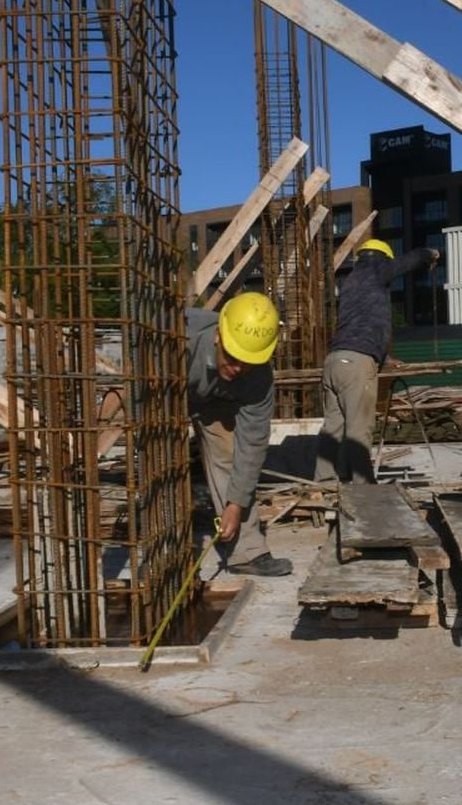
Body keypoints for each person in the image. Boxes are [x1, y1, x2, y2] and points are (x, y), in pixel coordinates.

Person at [315, 238, 439, 484]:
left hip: (334, 361)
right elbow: (409, 260)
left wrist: (383, 357)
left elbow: (361, 325)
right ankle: (364, 488)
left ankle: (324, 483)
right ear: (382, 258)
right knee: (359, 428)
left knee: (333, 428)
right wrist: (429, 253)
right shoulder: (376, 269)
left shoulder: (351, 281)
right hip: (356, 364)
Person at [187, 292, 292, 577]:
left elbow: (253, 444)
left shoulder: (258, 377)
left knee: (230, 455)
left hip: (216, 401)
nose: (238, 369)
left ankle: (246, 552)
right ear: (219, 336)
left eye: (248, 362)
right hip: (164, 389)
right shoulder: (182, 338)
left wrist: (235, 504)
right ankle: (167, 553)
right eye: (233, 359)